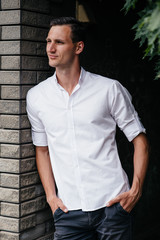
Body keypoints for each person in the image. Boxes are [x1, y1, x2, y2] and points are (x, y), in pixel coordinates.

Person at [26, 17, 149, 240]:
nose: (50, 49)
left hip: (113, 206)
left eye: (59, 42)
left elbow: (139, 139)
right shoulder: (36, 97)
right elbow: (42, 150)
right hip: (67, 211)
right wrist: (51, 198)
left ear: (78, 47)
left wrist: (136, 190)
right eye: (48, 41)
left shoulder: (109, 89)